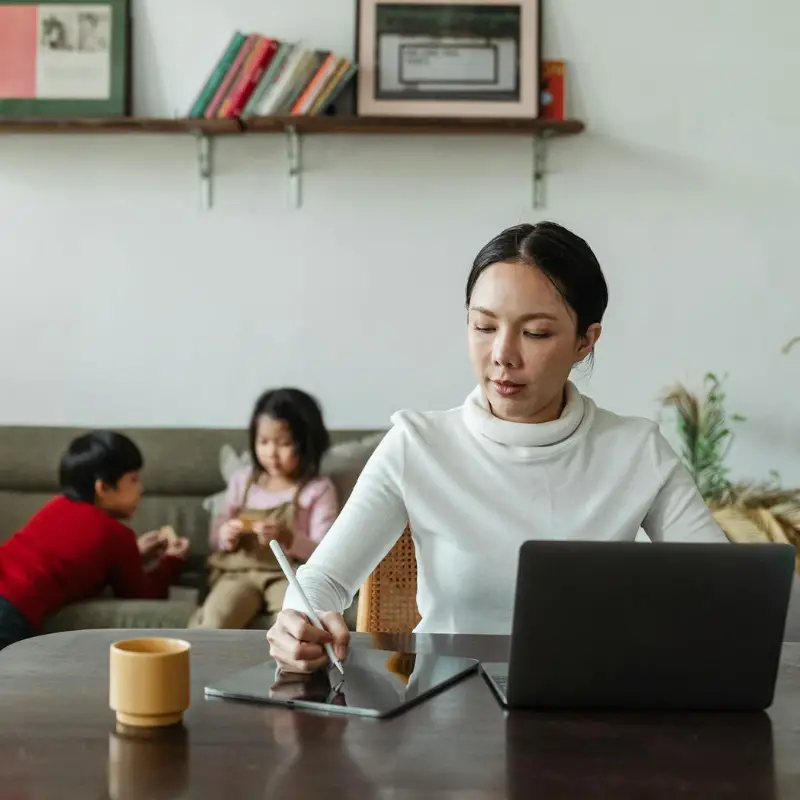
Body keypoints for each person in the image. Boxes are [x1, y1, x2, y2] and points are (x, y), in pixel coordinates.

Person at [267, 221, 729, 672]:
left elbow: (724, 586)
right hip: (447, 719)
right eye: (484, 327)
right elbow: (322, 580)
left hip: (591, 714)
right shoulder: (417, 445)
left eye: (536, 333)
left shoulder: (635, 450)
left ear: (585, 340)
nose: (503, 355)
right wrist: (299, 621)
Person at [0, 431, 190, 652]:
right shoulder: (117, 535)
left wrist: (135, 554)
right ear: (103, 488)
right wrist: (172, 562)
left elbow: (70, 557)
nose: (141, 488)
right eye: (133, 479)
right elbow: (142, 593)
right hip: (12, 608)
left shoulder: (56, 505)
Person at [189, 388, 338, 629]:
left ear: (307, 444)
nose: (271, 453)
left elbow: (325, 552)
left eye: (284, 443)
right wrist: (227, 536)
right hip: (239, 573)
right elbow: (216, 538)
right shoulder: (243, 481)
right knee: (215, 621)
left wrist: (288, 538)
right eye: (263, 442)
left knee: (296, 625)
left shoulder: (317, 489)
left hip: (288, 574)